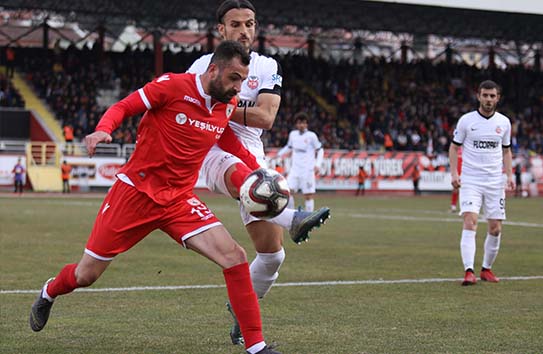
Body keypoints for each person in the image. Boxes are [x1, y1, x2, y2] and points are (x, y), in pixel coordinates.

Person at [29, 41, 280, 354]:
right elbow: (124, 106)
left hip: (178, 201)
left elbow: (229, 141)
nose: (238, 88)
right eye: (233, 78)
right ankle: (50, 291)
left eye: (242, 80)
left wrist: (261, 172)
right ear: (212, 69)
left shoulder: (226, 104)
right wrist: (102, 129)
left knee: (235, 258)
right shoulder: (173, 86)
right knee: (85, 275)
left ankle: (257, 347)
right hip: (135, 193)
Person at [187, 0, 330, 347]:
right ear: (221, 30)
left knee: (272, 256)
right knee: (248, 181)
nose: (244, 31)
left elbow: (266, 117)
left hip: (254, 157)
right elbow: (198, 109)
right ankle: (294, 217)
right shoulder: (201, 66)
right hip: (212, 150)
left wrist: (225, 101)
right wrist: (231, 107)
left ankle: (240, 308)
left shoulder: (266, 65)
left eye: (249, 23)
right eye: (235, 24)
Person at [449, 80, 515, 286]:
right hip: (471, 180)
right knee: (470, 221)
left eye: (492, 96)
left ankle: (486, 269)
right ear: (478, 96)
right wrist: (454, 173)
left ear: (498, 98)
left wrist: (510, 176)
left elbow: (506, 150)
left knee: (495, 228)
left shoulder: (504, 123)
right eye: (485, 95)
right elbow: (453, 148)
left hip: (495, 182)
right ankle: (469, 271)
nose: (488, 99)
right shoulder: (466, 121)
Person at [277, 112, 324, 212]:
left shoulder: (312, 136)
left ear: (307, 124)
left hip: (308, 170)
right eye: (299, 123)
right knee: (287, 192)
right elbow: (289, 147)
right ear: (296, 124)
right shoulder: (293, 135)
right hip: (295, 170)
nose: (301, 125)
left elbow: (320, 150)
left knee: (308, 195)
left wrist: (318, 165)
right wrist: (278, 154)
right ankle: (291, 215)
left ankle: (309, 219)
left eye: (304, 123)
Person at [450, 147, 462, 213]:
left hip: (466, 170)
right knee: (455, 188)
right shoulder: (456, 146)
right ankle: (453, 205)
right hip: (458, 171)